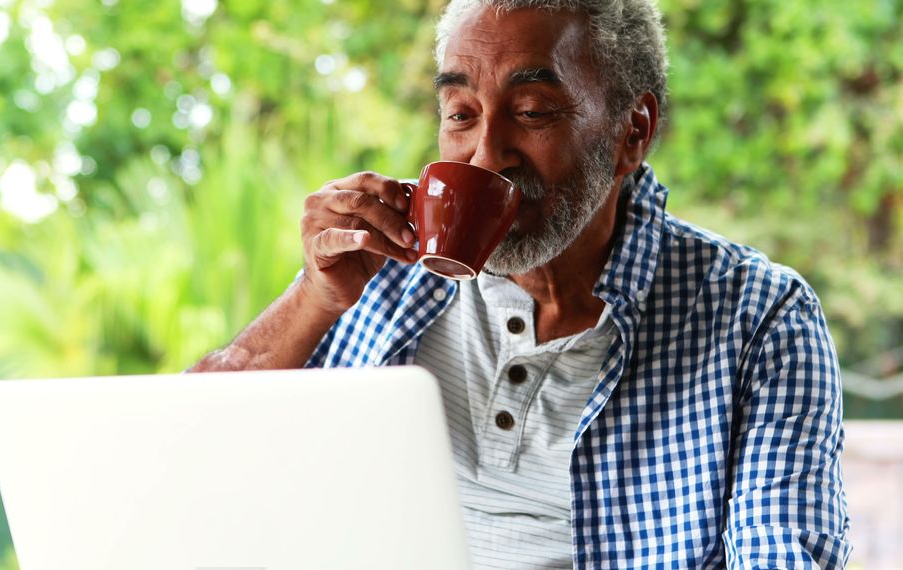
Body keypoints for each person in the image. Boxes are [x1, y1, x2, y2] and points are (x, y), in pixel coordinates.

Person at [191, 0, 852, 567]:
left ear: (632, 133)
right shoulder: (379, 274)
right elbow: (188, 457)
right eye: (460, 113)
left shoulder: (758, 319)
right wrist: (315, 298)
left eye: (532, 112)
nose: (487, 154)